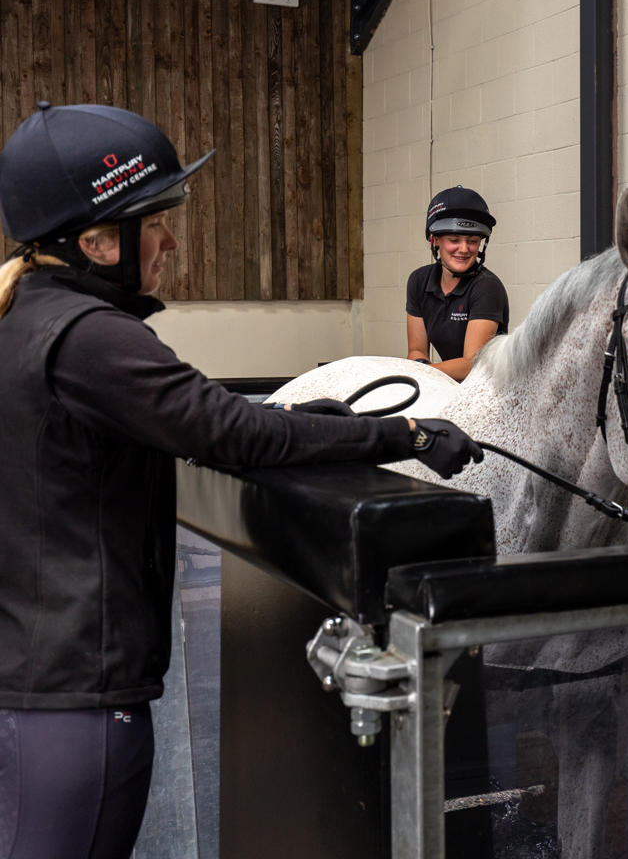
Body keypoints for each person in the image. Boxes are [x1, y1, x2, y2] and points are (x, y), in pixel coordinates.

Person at [0, 102, 483, 859]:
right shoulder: (91, 338)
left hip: (41, 682)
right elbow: (232, 435)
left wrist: (302, 417)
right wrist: (409, 434)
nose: (170, 240)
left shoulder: (32, 316)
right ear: (96, 242)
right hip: (78, 699)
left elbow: (197, 418)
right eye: (154, 222)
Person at [406, 186, 509, 381]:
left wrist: (420, 373)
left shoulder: (487, 287)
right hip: (447, 382)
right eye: (454, 240)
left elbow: (471, 365)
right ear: (435, 241)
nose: (464, 249)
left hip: (485, 387)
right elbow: (416, 350)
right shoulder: (419, 281)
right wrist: (419, 369)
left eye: (472, 241)